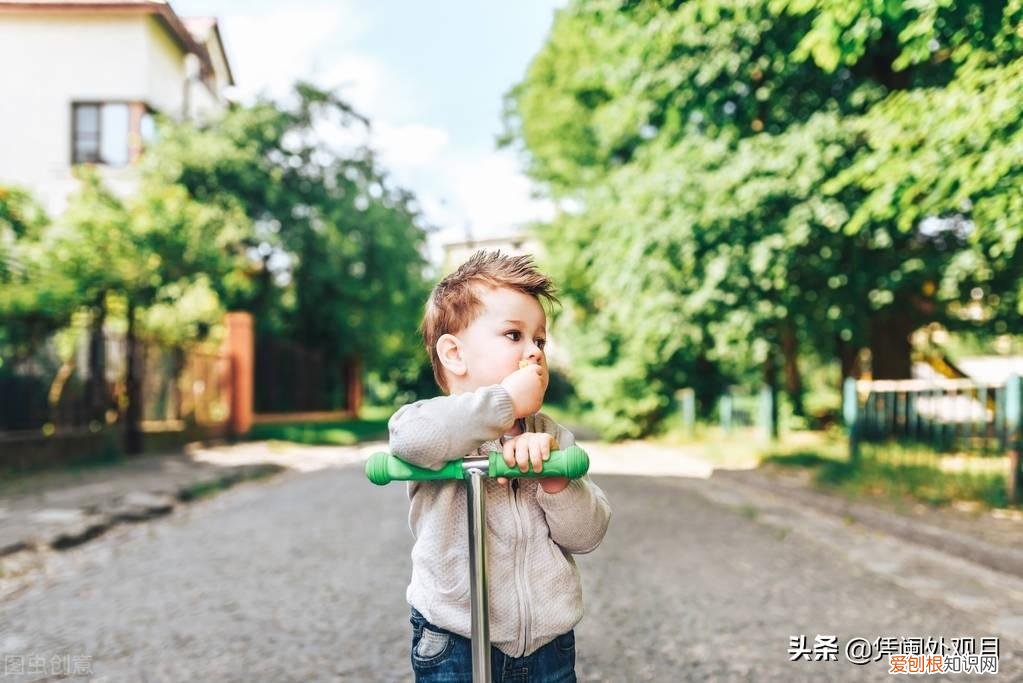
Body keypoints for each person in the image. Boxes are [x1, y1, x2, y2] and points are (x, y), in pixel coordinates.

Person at [388, 249, 612, 682]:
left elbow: (588, 535)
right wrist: (505, 403)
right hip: (454, 640)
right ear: (454, 354)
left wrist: (554, 479)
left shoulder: (550, 436)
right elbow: (410, 440)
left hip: (547, 643)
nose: (534, 353)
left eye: (540, 340)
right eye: (514, 336)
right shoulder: (433, 420)